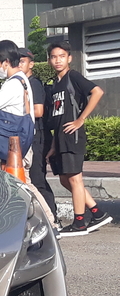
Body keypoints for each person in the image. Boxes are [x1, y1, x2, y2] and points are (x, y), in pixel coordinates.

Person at [0, 40, 57, 228]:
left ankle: (50, 222)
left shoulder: (13, 84)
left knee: (24, 184)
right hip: (20, 142)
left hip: (16, 145)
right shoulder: (21, 80)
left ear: (5, 62)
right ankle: (38, 223)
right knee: (21, 183)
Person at [46, 41, 111, 236]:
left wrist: (80, 119)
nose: (58, 60)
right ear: (49, 60)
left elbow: (97, 92)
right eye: (54, 57)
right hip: (61, 138)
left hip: (73, 136)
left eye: (62, 56)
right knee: (66, 180)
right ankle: (97, 212)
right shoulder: (55, 84)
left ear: (69, 58)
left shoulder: (72, 77)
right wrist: (54, 144)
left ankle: (80, 223)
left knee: (75, 179)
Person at [18, 47, 58, 223]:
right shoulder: (20, 83)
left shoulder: (33, 83)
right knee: (30, 179)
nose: (19, 65)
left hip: (38, 137)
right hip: (30, 136)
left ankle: (52, 218)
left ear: (31, 63)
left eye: (22, 61)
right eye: (16, 61)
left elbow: (39, 111)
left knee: (37, 180)